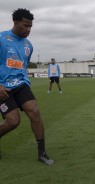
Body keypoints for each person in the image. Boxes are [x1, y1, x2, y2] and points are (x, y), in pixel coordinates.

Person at [0, 8, 54, 165]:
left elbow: (22, 66)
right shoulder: (2, 39)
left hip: (21, 85)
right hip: (3, 87)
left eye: (30, 26)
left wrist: (25, 81)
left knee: (35, 112)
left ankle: (42, 153)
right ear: (15, 23)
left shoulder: (28, 46)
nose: (28, 30)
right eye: (25, 26)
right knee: (13, 121)